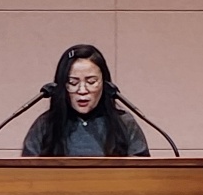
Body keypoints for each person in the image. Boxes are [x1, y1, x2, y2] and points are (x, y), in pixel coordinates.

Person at [21, 44, 150, 157]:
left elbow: (143, 171)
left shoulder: (125, 124)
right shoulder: (45, 125)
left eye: (91, 82)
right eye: (73, 82)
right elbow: (25, 172)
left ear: (106, 85)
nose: (82, 90)